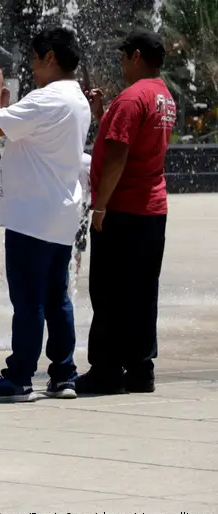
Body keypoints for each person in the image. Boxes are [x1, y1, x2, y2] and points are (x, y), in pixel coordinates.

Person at [0, 27, 90, 402]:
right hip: (61, 213)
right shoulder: (77, 99)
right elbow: (17, 131)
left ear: (51, 58)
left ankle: (19, 377)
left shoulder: (48, 98)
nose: (34, 68)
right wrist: (4, 105)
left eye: (36, 60)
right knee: (57, 299)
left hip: (31, 216)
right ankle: (64, 373)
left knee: (28, 300)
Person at [77, 29, 176, 395]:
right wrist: (104, 115)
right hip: (153, 208)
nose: (120, 63)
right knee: (141, 290)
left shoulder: (132, 98)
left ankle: (104, 370)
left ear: (136, 56)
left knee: (107, 291)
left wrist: (100, 205)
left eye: (122, 57)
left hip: (123, 207)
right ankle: (140, 369)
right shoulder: (164, 96)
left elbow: (118, 155)